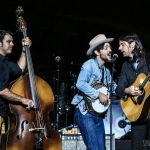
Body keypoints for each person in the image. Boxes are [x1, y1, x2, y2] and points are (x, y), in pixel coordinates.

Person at [71, 34, 117, 150]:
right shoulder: (88, 65)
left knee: (101, 148)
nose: (110, 50)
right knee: (94, 148)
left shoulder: (106, 71)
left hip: (98, 114)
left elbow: (114, 87)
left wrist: (127, 90)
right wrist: (98, 94)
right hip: (85, 112)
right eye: (106, 48)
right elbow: (80, 84)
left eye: (110, 47)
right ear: (97, 52)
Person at [116, 32, 150, 150]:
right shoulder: (126, 65)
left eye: (122, 45)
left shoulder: (148, 59)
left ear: (133, 45)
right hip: (137, 113)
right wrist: (127, 90)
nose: (119, 48)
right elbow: (118, 89)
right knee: (136, 147)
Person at [0, 30, 34, 135]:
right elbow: (1, 90)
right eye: (8, 42)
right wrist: (23, 100)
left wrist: (24, 49)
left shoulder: (5, 62)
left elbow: (19, 69)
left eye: (12, 41)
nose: (12, 44)